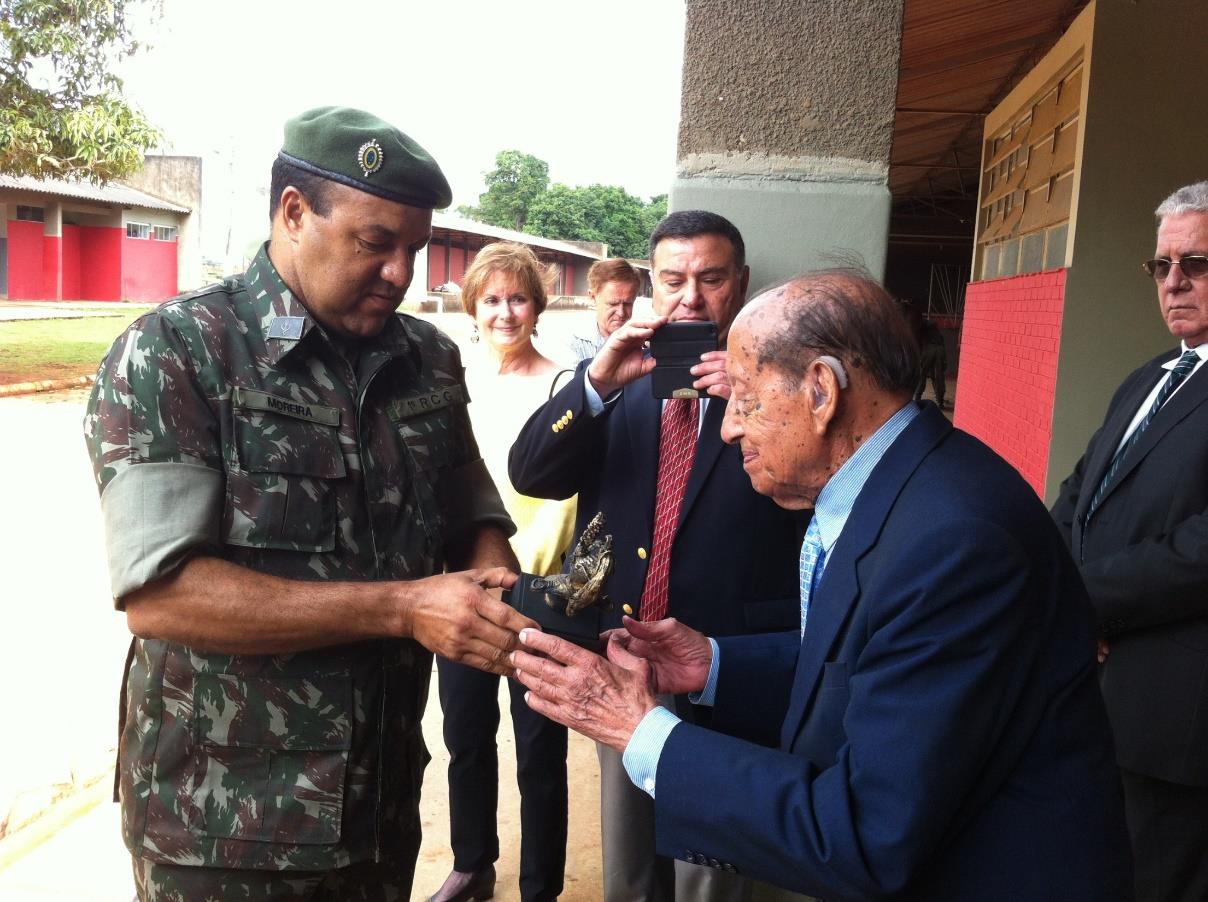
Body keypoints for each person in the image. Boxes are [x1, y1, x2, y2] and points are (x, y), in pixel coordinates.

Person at [511, 268, 1134, 900]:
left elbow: (869, 832)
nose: (728, 427)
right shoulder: (892, 488)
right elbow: (875, 664)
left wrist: (641, 732)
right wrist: (717, 663)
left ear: (820, 392)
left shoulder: (953, 543)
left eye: (745, 399)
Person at [83, 106, 536, 901]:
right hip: (223, 829)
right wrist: (403, 608)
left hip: (381, 809)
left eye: (416, 249)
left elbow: (471, 509)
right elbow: (160, 594)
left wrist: (494, 581)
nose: (402, 273)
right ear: (294, 213)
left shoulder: (424, 359)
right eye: (376, 242)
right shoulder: (181, 351)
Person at [509, 211, 805, 902]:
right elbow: (531, 473)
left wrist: (761, 409)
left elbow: (818, 497)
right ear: (651, 283)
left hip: (728, 661)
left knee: (716, 874)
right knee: (631, 871)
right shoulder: (617, 383)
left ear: (742, 283)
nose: (691, 298)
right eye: (673, 280)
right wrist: (596, 386)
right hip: (627, 659)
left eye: (711, 278)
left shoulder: (778, 387)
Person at [1051, 180, 1208, 902]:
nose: (1174, 282)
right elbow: (1079, 494)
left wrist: (1083, 603)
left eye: (1197, 264)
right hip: (1099, 695)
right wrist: (1055, 592)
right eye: (1162, 265)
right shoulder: (1150, 376)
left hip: (1176, 721)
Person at [428, 242, 577, 902]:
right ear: (473, 307)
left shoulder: (565, 386)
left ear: (537, 306)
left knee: (541, 752)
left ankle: (540, 886)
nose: (504, 312)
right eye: (491, 300)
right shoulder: (452, 385)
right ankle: (471, 865)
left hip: (541, 592)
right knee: (466, 737)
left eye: (517, 298)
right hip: (465, 587)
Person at [568, 258, 641, 361]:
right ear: (593, 297)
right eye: (613, 304)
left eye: (628, 304)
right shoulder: (573, 344)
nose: (621, 313)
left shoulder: (643, 343)